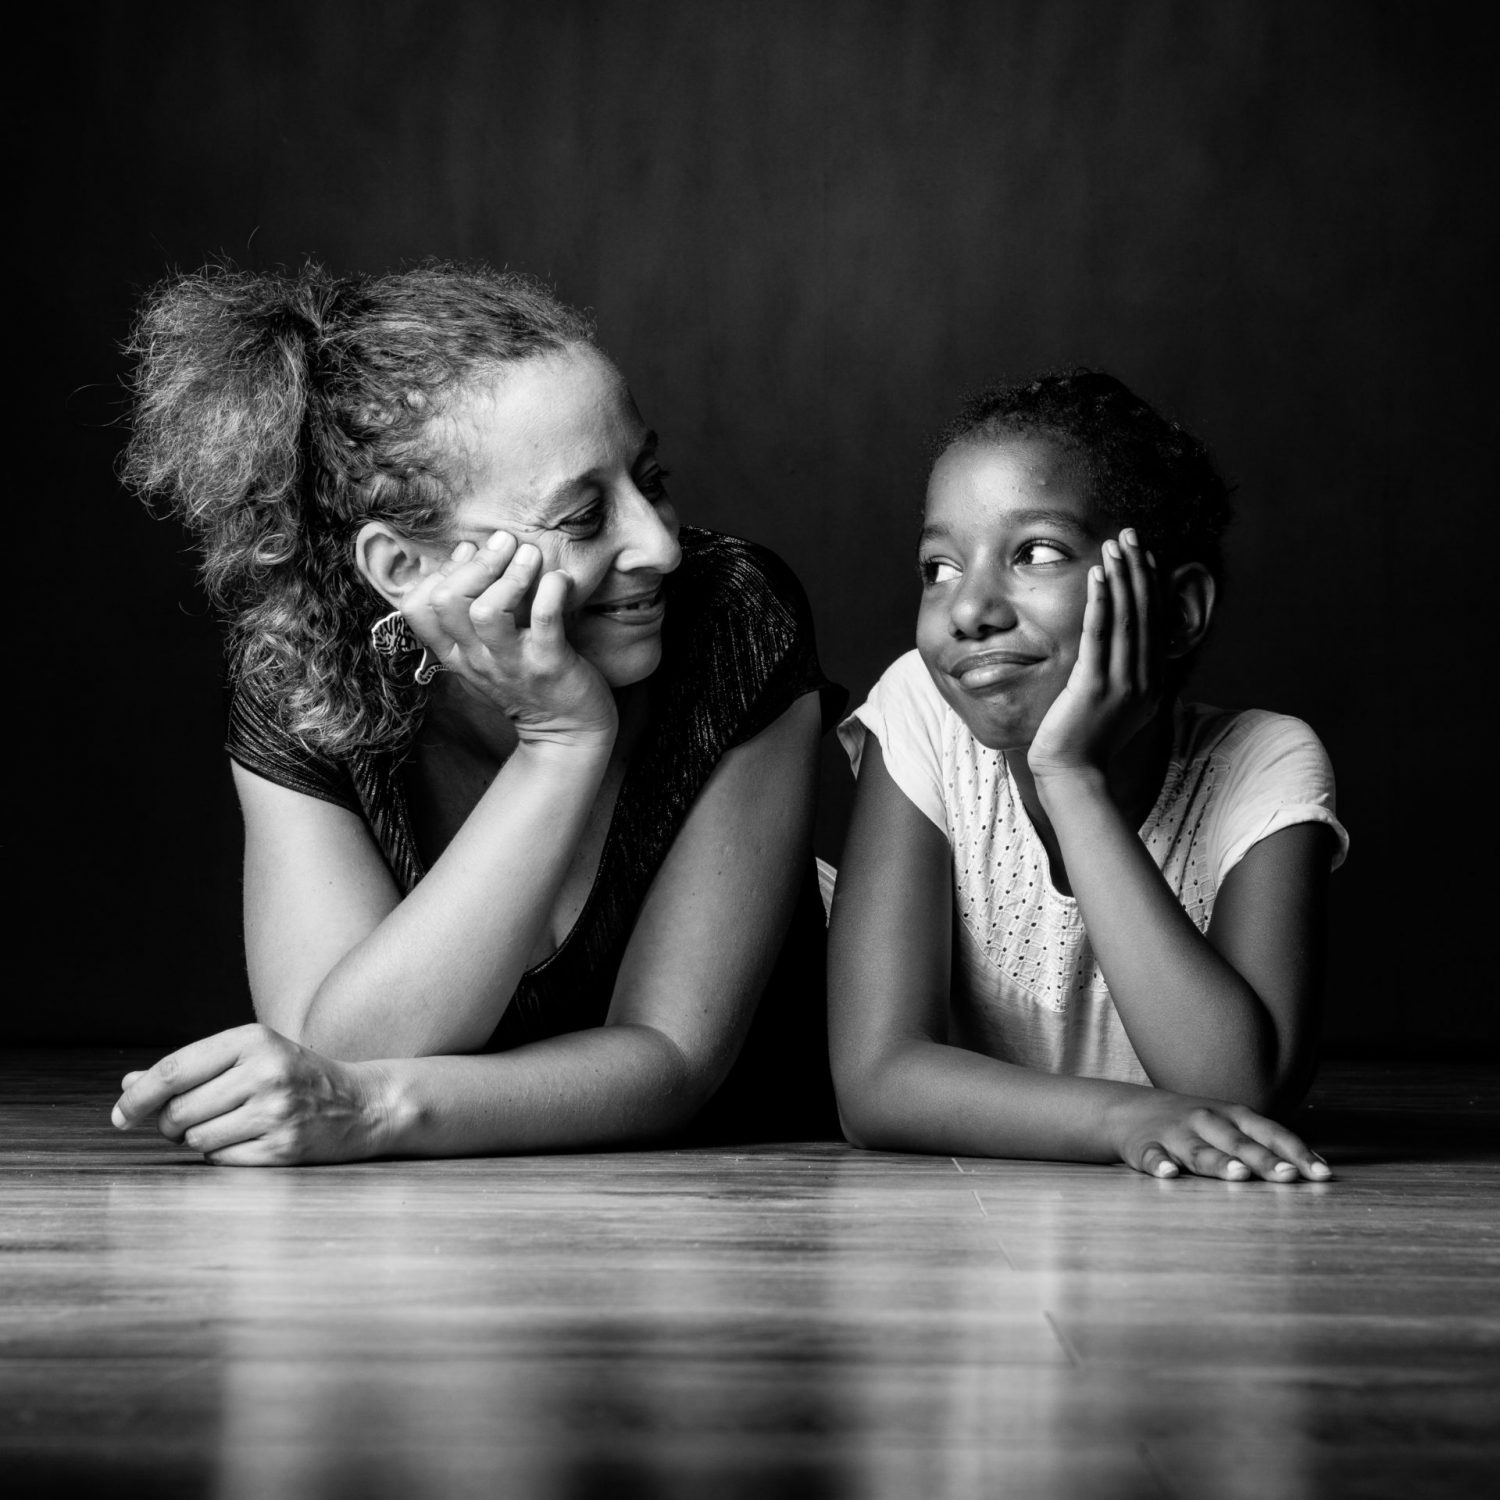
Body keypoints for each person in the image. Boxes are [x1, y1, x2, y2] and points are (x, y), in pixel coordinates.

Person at [112, 261, 842, 1164]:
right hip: (432, 1231)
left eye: (649, 479)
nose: (657, 545)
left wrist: (563, 736)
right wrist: (558, 752)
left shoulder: (734, 615)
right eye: (582, 518)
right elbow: (335, 1047)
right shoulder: (298, 683)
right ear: (406, 571)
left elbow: (673, 1060)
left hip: (756, 1194)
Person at [828, 371, 1346, 1181]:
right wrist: (1124, 1118)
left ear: (1176, 612)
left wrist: (1071, 776)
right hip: (953, 1232)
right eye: (940, 567)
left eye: (1035, 552)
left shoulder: (1263, 763)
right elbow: (876, 1082)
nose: (970, 609)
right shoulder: (921, 712)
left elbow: (1238, 1091)